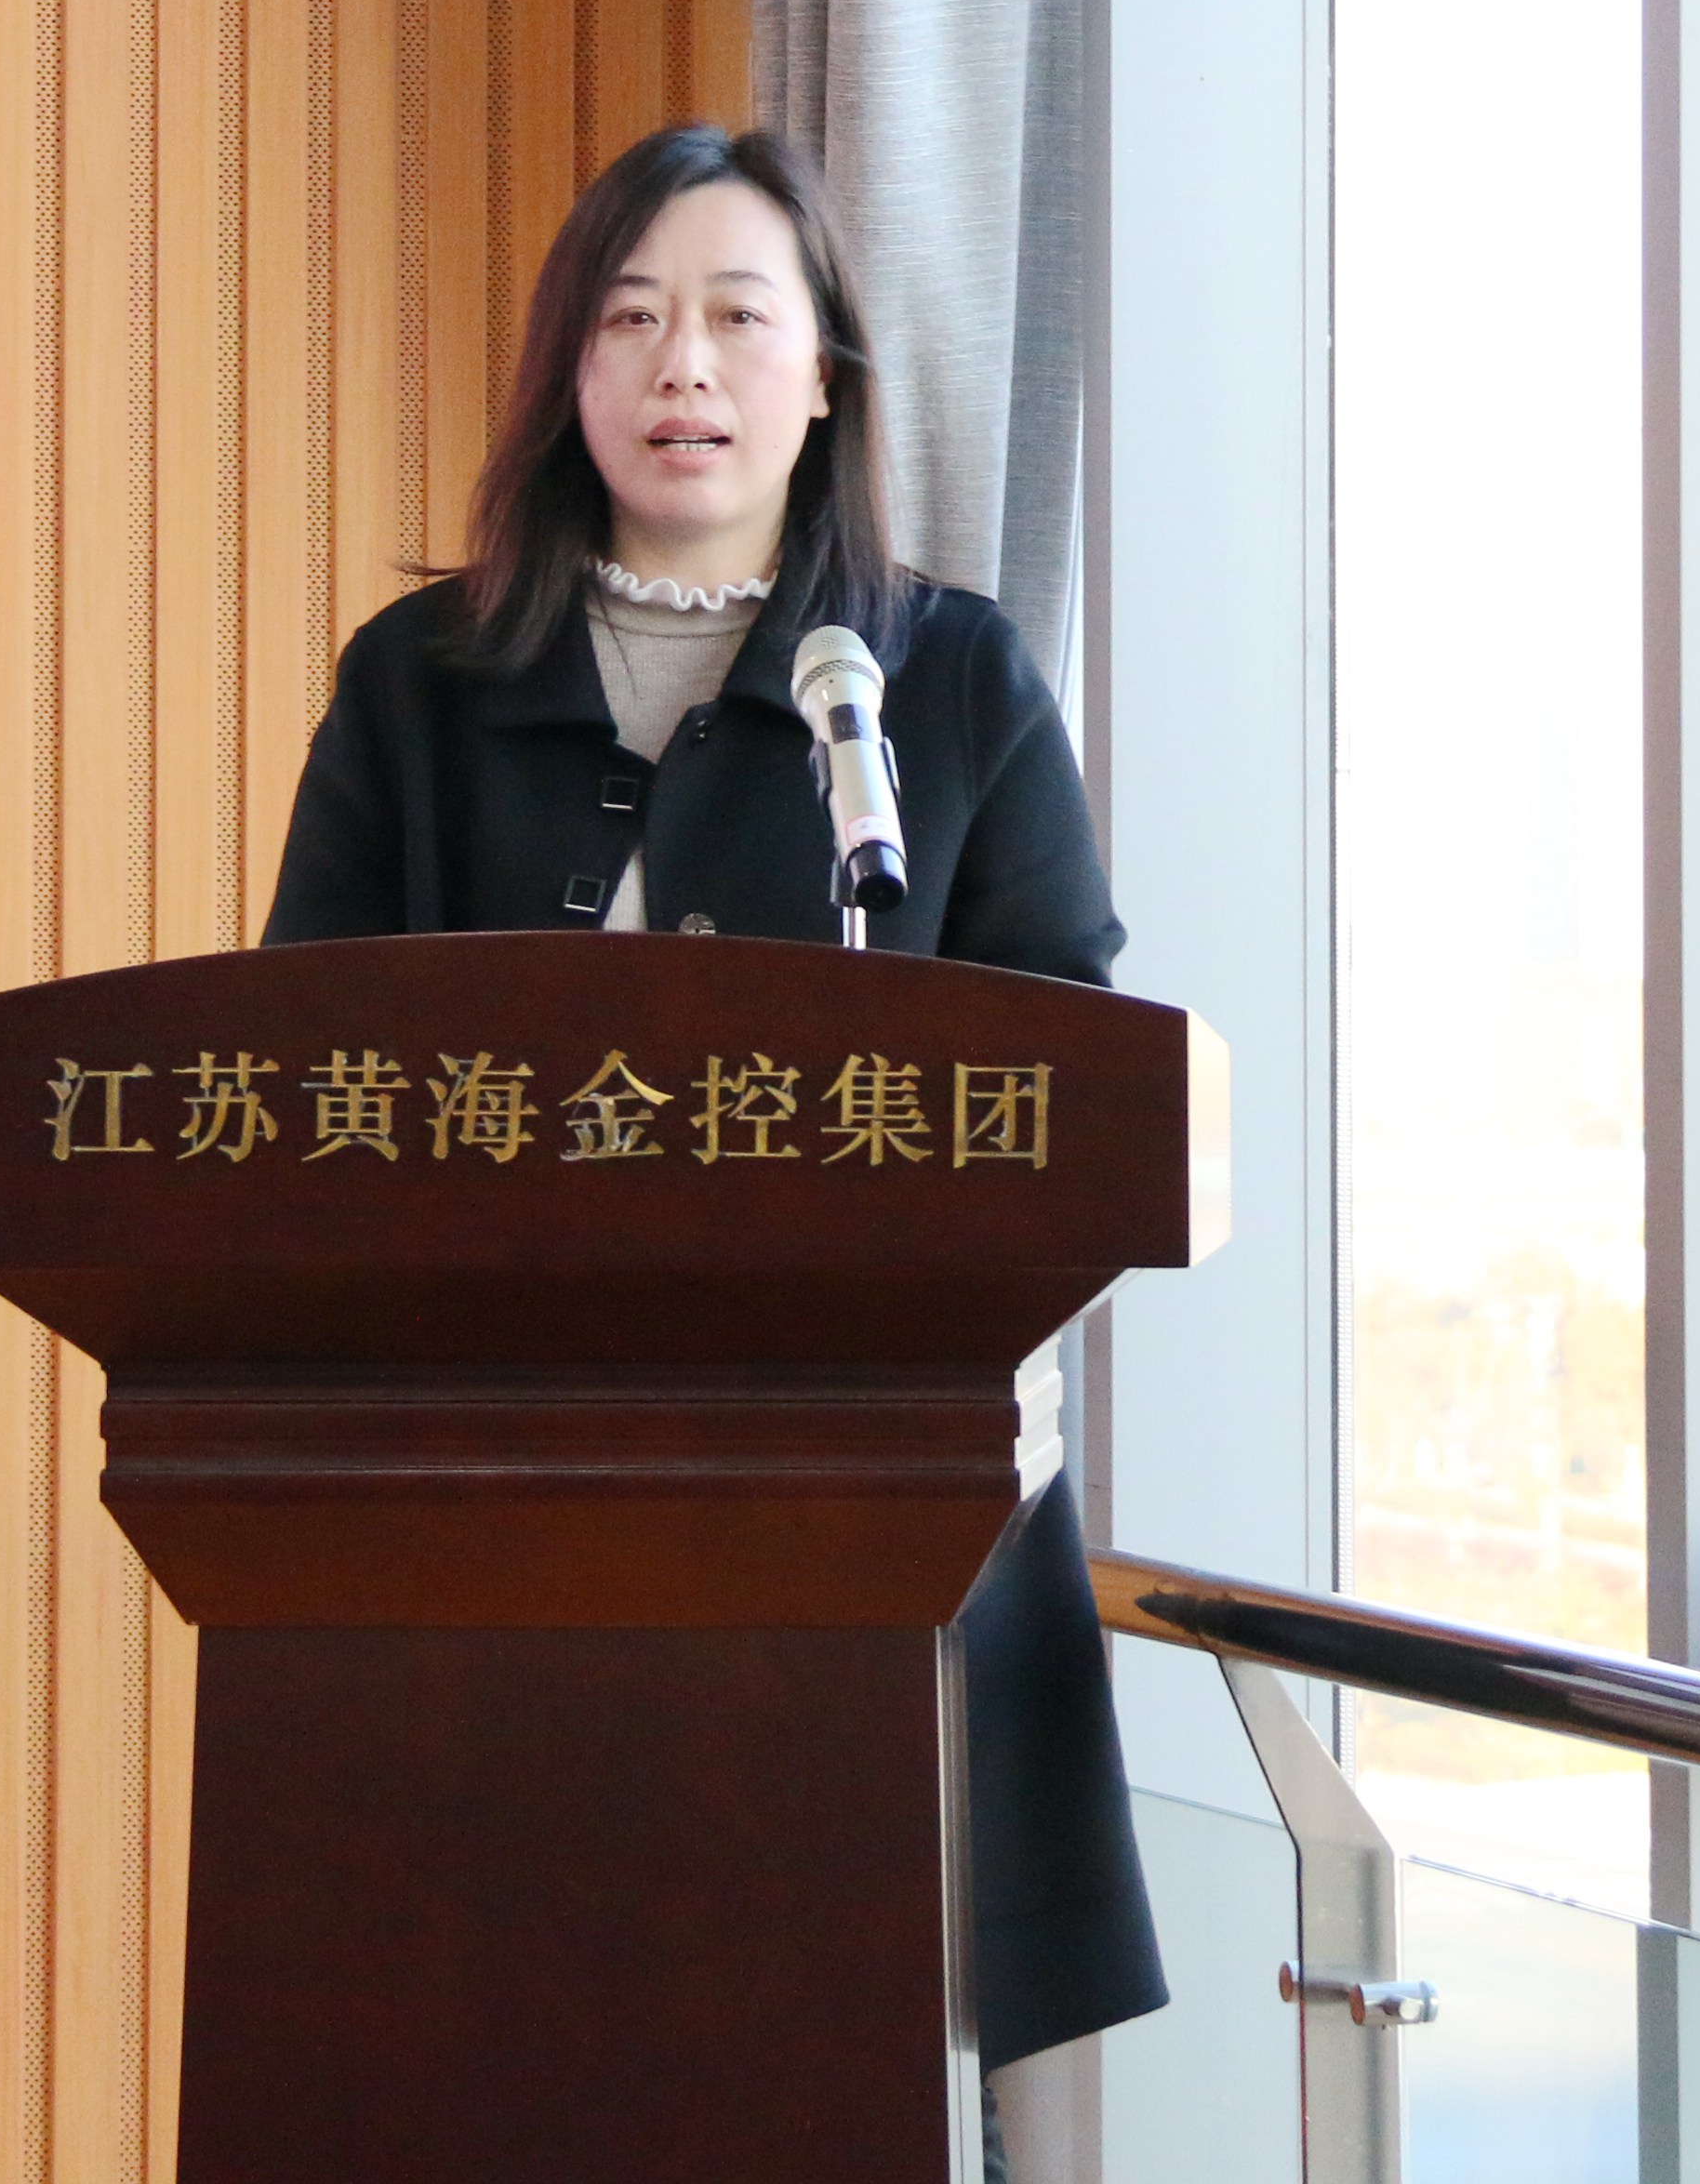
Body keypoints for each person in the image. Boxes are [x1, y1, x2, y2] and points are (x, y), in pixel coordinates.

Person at [260, 119, 1168, 2117]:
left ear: (823, 372)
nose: (684, 365)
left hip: (880, 1521)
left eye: (740, 317)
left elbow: (1078, 1091)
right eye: (630, 319)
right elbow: (299, 1081)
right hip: (485, 1517)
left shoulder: (941, 680)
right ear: (567, 374)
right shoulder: (419, 682)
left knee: (845, 2087)